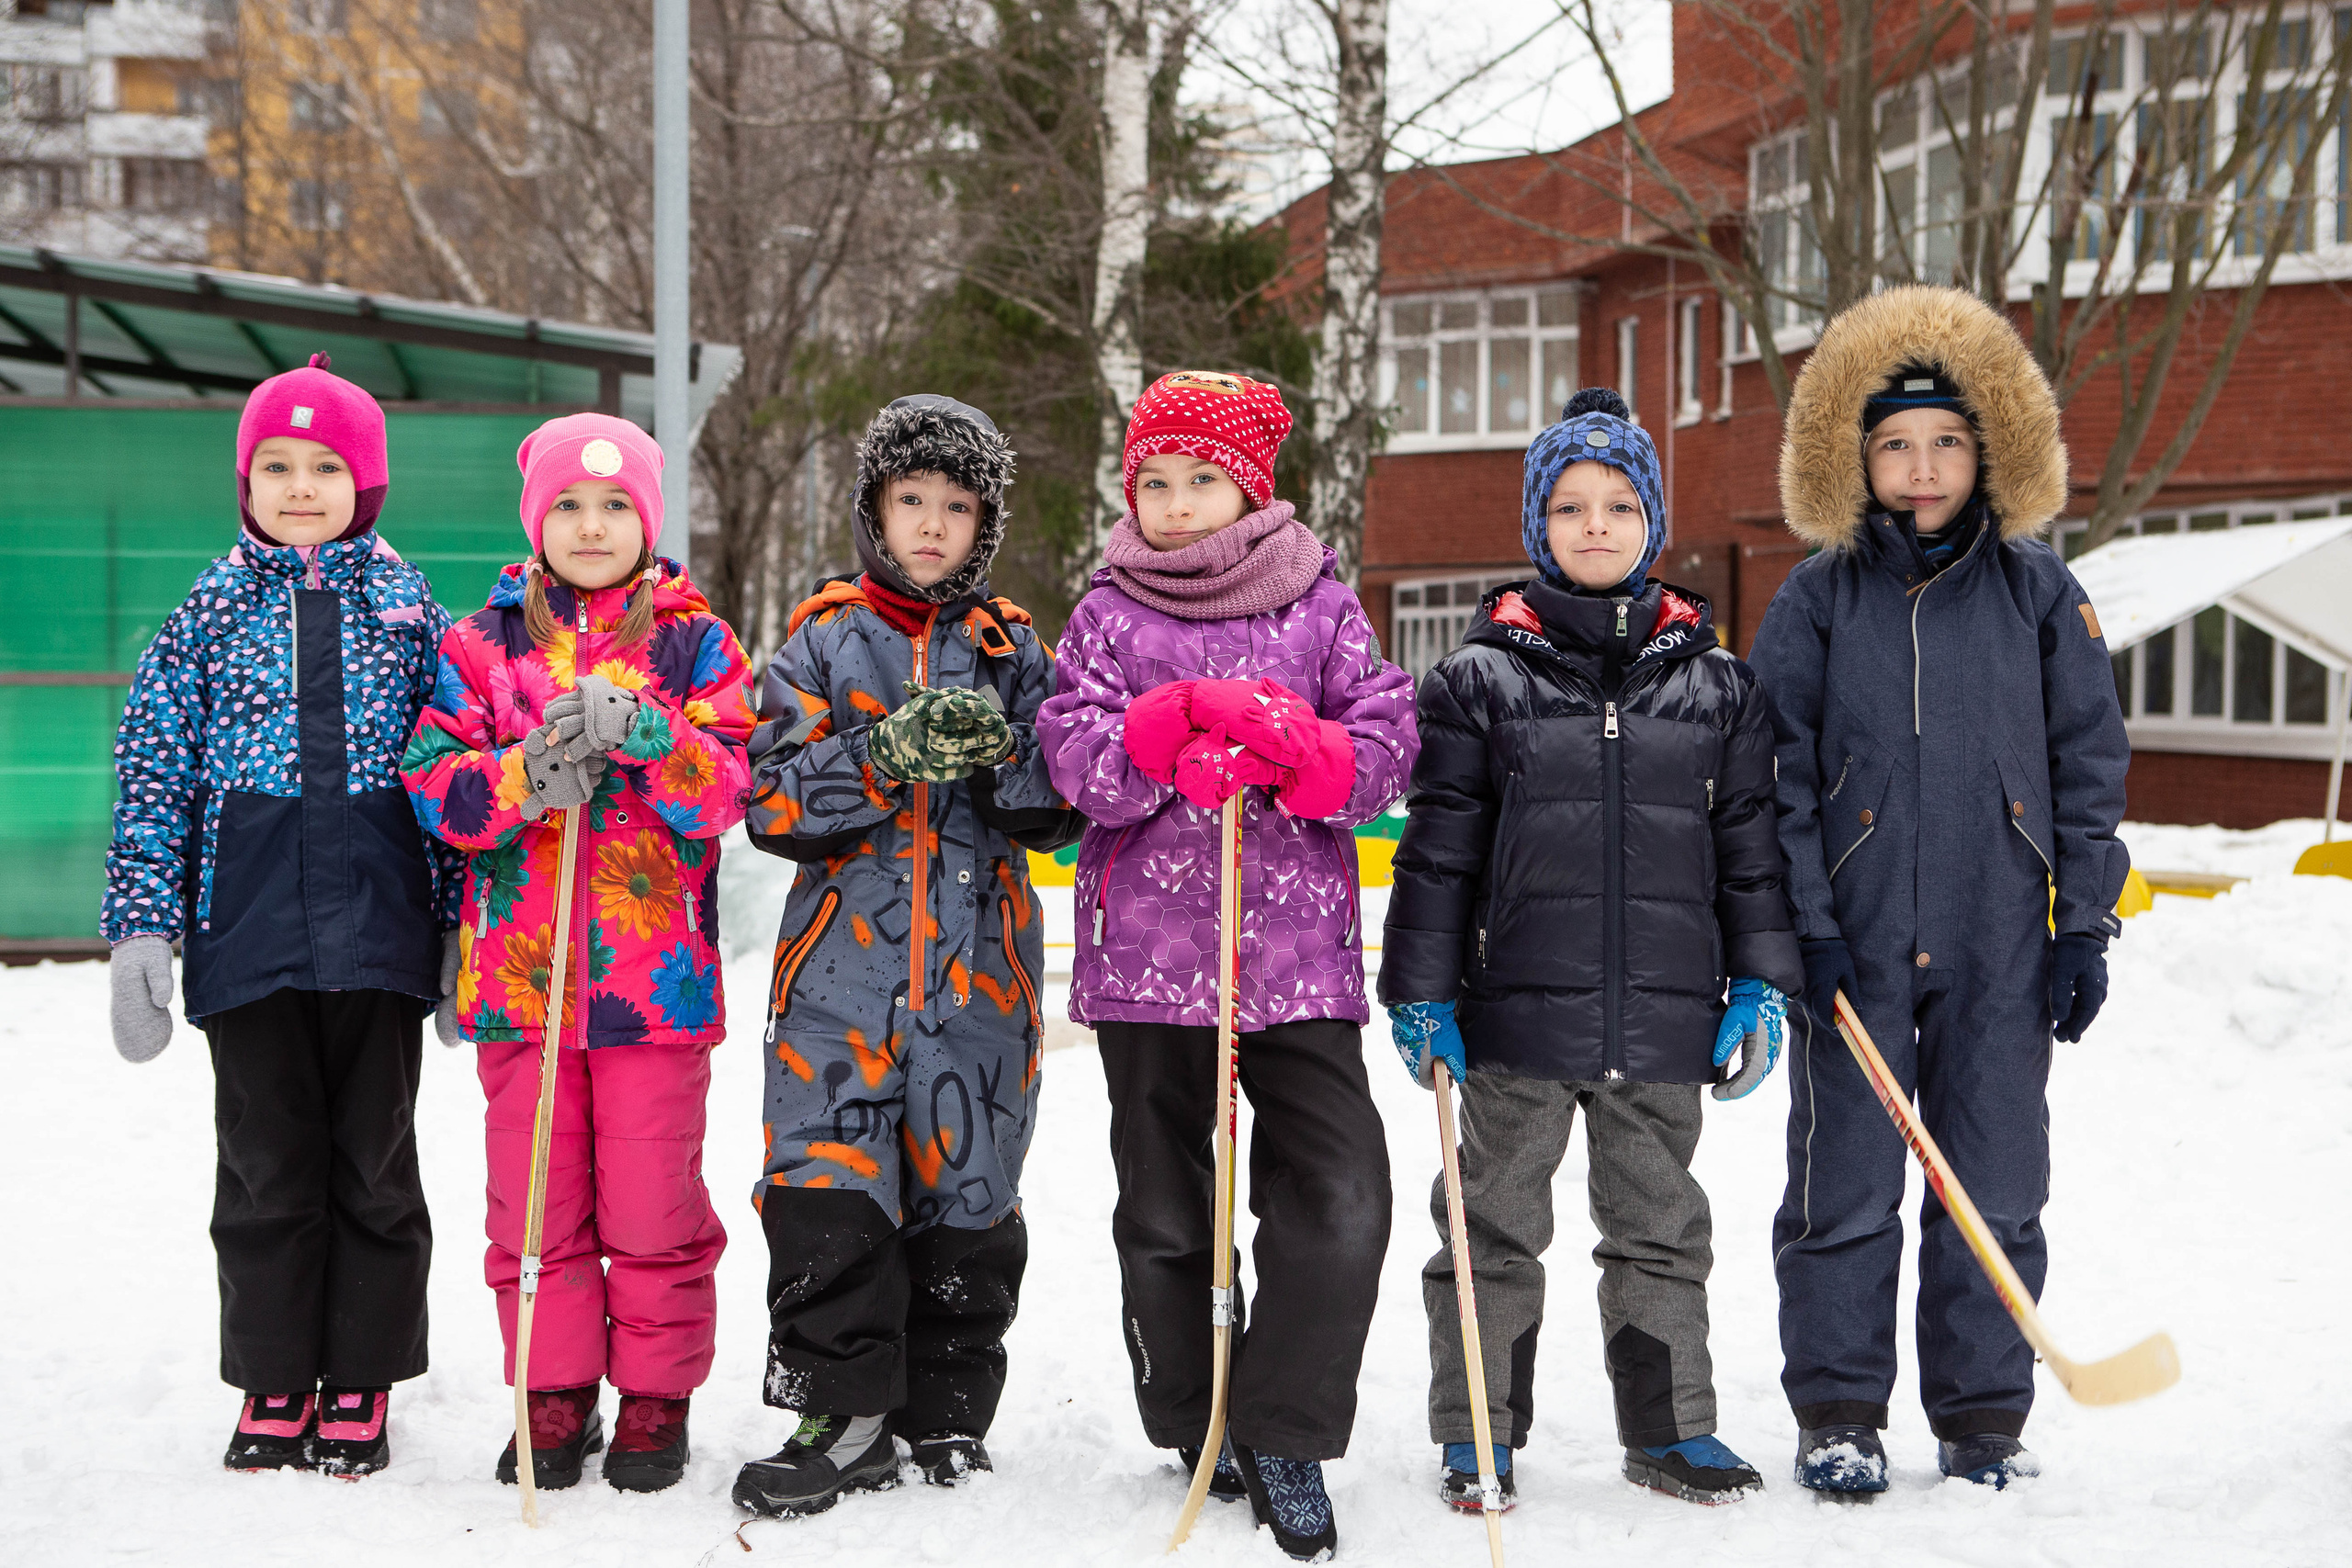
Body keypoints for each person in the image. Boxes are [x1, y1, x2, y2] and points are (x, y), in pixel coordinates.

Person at [1379, 386, 1803, 1513]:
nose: (1598, 525)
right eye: (1571, 507)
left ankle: (1671, 1431)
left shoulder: (1718, 687)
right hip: (1511, 1020)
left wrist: (1760, 978)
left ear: (1651, 523)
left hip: (1664, 1017)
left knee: (1662, 1227)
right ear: (1538, 527)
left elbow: (1750, 856)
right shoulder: (1479, 681)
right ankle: (1480, 1429)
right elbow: (1436, 858)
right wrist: (1421, 997)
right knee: (1489, 1226)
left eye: (1620, 504)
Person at [1748, 285, 2129, 1495]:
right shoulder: (1819, 594)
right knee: (1847, 1176)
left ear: (1990, 448)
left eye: (1948, 441)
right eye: (1896, 444)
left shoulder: (2039, 594)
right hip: (1854, 937)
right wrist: (1803, 922)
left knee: (1997, 1178)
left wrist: (2085, 921)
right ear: (1855, 457)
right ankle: (1841, 1408)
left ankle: (1981, 1414)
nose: (1922, 467)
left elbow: (2089, 759)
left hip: (2003, 930)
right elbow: (1775, 770)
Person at [1035, 370, 1418, 1562]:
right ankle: (1193, 1412)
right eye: (1156, 480)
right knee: (1164, 1203)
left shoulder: (1321, 603)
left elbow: (1390, 740)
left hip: (1294, 962)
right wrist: (1150, 740)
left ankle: (1283, 1421)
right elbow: (1070, 756)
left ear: (1251, 488)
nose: (1178, 503)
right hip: (1151, 962)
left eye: (1202, 479)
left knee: (1343, 1194)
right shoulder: (1107, 612)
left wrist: (1311, 752)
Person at [103, 354, 458, 1476]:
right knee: (265, 1161)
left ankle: (360, 1377)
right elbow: (153, 771)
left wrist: (461, 929)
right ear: (245, 480)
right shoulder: (206, 610)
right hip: (246, 927)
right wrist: (143, 928)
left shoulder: (410, 611)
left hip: (381, 925)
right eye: (275, 465)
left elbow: (454, 771)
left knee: (373, 1159)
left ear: (367, 483)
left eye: (324, 466)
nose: (299, 486)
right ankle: (270, 1379)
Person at [730, 395, 1081, 1518]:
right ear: (875, 507)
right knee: (829, 1187)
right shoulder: (821, 638)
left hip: (982, 986)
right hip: (841, 984)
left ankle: (943, 1412)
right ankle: (841, 1409)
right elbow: (772, 801)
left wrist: (1002, 762)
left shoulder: (1011, 645)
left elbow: (1057, 808)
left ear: (987, 521)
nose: (933, 523)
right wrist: (879, 751)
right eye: (912, 499)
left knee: (969, 1199)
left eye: (958, 504)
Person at [400, 412, 756, 1494]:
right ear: (535, 519)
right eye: (568, 504)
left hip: (656, 991)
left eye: (614, 506)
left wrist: (654, 737)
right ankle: (550, 1392)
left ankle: (655, 1395)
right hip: (525, 984)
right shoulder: (480, 644)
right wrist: (520, 780)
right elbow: (434, 783)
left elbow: (732, 789)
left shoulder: (695, 640)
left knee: (653, 1200)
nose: (591, 524)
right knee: (535, 1198)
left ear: (646, 519)